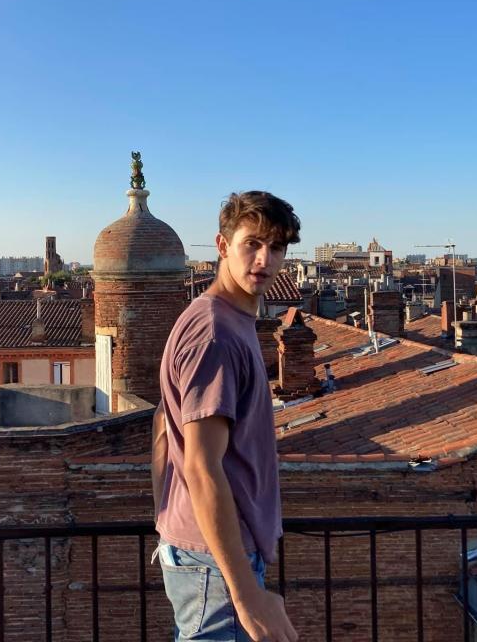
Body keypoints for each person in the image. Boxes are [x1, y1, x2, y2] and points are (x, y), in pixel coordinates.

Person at [153, 191, 301, 642]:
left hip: (206, 553)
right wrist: (245, 595)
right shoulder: (215, 333)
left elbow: (162, 426)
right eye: (251, 244)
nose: (264, 259)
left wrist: (166, 516)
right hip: (215, 563)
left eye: (276, 247)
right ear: (222, 245)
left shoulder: (224, 319)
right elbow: (200, 465)